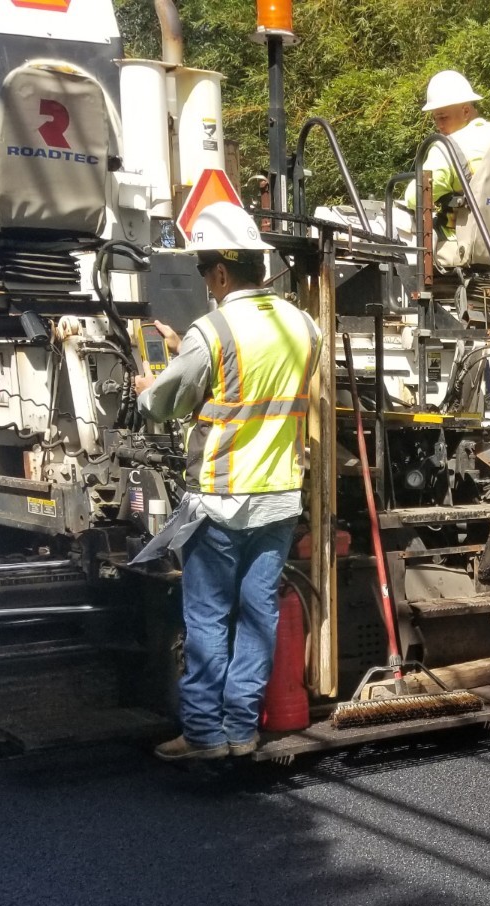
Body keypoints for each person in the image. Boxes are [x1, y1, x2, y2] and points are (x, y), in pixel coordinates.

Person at [133, 201, 321, 759]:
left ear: (219, 272)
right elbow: (257, 385)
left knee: (209, 619)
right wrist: (185, 354)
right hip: (280, 498)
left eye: (202, 273)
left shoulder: (209, 331)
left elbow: (163, 405)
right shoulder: (302, 325)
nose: (204, 285)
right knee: (258, 616)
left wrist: (153, 379)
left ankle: (204, 735)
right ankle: (242, 731)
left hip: (220, 500)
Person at [403, 71, 490, 233]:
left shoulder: (448, 147)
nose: (438, 125)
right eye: (435, 119)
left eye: (443, 117)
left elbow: (414, 197)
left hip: (465, 247)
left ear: (466, 111)